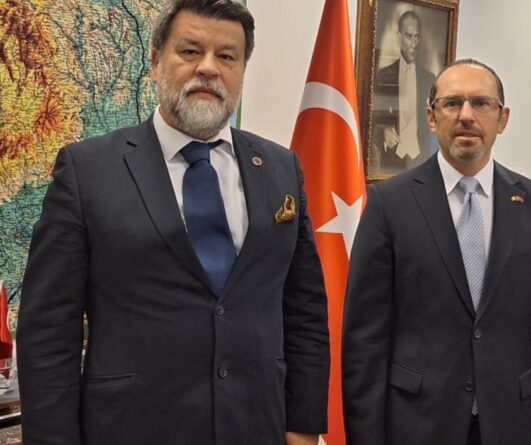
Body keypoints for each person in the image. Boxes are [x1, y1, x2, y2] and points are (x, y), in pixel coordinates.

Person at [17, 1, 329, 444]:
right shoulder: (88, 172)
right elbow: (49, 332)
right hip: (130, 429)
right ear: (156, 62)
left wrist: (303, 424)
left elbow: (304, 310)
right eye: (190, 51)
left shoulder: (280, 168)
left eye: (227, 56)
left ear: (242, 70)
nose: (208, 68)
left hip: (256, 426)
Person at [343, 59, 531, 445]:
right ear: (431, 117)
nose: (466, 115)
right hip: (417, 423)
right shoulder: (390, 204)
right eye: (452, 103)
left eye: (481, 103)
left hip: (513, 424)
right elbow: (364, 340)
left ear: (502, 119)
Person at [372, 10, 436, 172]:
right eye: (408, 36)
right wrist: (383, 131)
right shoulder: (384, 76)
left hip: (421, 159)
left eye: (417, 37)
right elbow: (371, 119)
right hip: (391, 159)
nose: (413, 43)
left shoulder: (429, 79)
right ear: (399, 37)